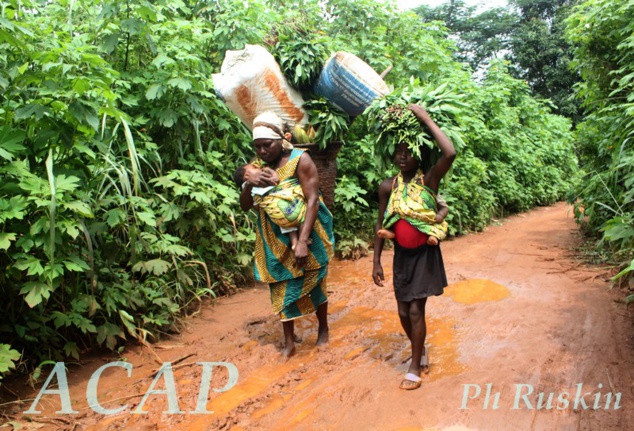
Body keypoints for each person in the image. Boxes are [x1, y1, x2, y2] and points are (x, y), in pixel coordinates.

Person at [372, 104, 456, 390]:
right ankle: (419, 349)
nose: (402, 156)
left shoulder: (428, 180)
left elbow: (450, 153)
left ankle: (414, 365)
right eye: (398, 151)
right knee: (403, 313)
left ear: (419, 154)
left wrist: (425, 118)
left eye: (408, 151)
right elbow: (382, 223)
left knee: (416, 311)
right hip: (401, 258)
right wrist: (376, 261)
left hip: (425, 255)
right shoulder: (388, 186)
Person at [239, 111, 334, 358]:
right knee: (280, 285)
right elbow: (245, 205)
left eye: (267, 145)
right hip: (274, 238)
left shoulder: (301, 160)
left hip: (306, 231)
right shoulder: (256, 167)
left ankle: (323, 329)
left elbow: (312, 199)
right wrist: (250, 182)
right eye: (257, 147)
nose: (262, 151)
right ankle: (289, 342)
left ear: (282, 139)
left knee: (315, 278)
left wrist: (302, 241)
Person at [233, 163, 311, 251]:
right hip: (285, 207)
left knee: (287, 225)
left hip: (278, 216)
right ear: (247, 175)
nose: (258, 167)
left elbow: (256, 206)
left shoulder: (248, 189)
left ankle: (294, 243)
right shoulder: (261, 181)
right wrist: (268, 170)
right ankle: (302, 239)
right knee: (301, 211)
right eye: (255, 167)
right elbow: (276, 179)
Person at [376, 192, 449, 246]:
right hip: (402, 215)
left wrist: (440, 215)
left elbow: (444, 207)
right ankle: (392, 233)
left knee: (439, 226)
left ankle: (432, 236)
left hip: (427, 219)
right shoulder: (398, 188)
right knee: (394, 215)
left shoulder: (430, 186)